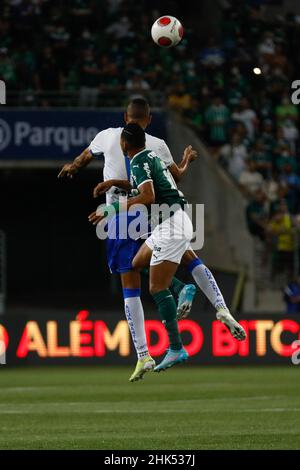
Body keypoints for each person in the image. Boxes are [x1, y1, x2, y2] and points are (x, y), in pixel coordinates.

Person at [89, 123, 247, 373]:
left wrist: (111, 208)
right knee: (137, 263)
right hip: (175, 219)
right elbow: (158, 183)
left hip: (169, 225)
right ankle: (198, 295)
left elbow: (148, 196)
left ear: (124, 144)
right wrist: (114, 182)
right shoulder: (151, 155)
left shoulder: (139, 162)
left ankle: (176, 347)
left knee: (155, 287)